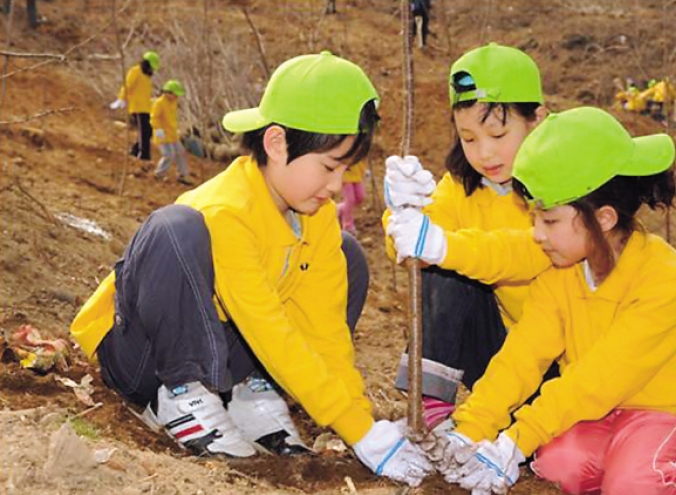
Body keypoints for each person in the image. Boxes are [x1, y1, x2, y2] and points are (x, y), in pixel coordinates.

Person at [71, 51, 433, 487]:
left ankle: (251, 395)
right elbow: (265, 325)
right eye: (329, 167)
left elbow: (325, 331)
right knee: (177, 226)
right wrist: (356, 428)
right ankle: (183, 398)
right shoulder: (228, 209)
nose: (337, 186)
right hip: (146, 359)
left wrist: (362, 425)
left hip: (224, 355)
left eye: (345, 169)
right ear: (277, 144)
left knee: (349, 255)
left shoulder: (316, 218)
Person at [388, 107, 676, 494]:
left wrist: (516, 439)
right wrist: (470, 429)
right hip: (608, 413)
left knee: (635, 484)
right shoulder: (562, 271)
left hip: (673, 413)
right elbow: (523, 356)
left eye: (549, 221)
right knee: (558, 464)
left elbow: (598, 378)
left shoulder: (665, 280)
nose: (537, 234)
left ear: (605, 218)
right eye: (534, 219)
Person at [382, 43, 551, 432]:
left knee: (450, 252)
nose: (485, 153)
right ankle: (433, 408)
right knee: (440, 265)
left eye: (498, 133)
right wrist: (403, 215)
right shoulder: (462, 185)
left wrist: (446, 246)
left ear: (537, 120)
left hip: (560, 360)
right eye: (469, 138)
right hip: (498, 352)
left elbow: (529, 251)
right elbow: (412, 250)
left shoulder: (564, 186)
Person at [110, 51, 160, 161]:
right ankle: (143, 155)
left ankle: (135, 151)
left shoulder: (146, 77)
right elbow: (128, 85)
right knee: (144, 131)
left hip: (146, 108)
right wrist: (122, 98)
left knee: (148, 131)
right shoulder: (135, 72)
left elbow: (144, 94)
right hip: (137, 107)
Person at [152, 79, 191, 185]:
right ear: (168, 93)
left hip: (172, 133)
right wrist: (158, 129)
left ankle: (182, 175)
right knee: (168, 155)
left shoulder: (173, 102)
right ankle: (159, 174)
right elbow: (154, 118)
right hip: (162, 135)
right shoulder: (159, 103)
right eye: (175, 94)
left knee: (181, 153)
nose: (177, 96)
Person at [336, 159, 367, 234]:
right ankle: (347, 226)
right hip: (346, 174)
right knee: (350, 200)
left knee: (360, 197)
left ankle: (340, 208)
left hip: (356, 172)